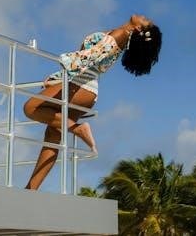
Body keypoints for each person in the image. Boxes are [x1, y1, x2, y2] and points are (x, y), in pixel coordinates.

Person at [22, 14, 162, 190]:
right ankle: (31, 188)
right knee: (52, 136)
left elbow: (89, 58)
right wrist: (59, 78)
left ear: (139, 28)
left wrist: (57, 76)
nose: (143, 16)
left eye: (145, 20)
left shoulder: (120, 34)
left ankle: (78, 129)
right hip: (86, 89)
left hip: (80, 85)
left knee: (31, 107)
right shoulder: (120, 35)